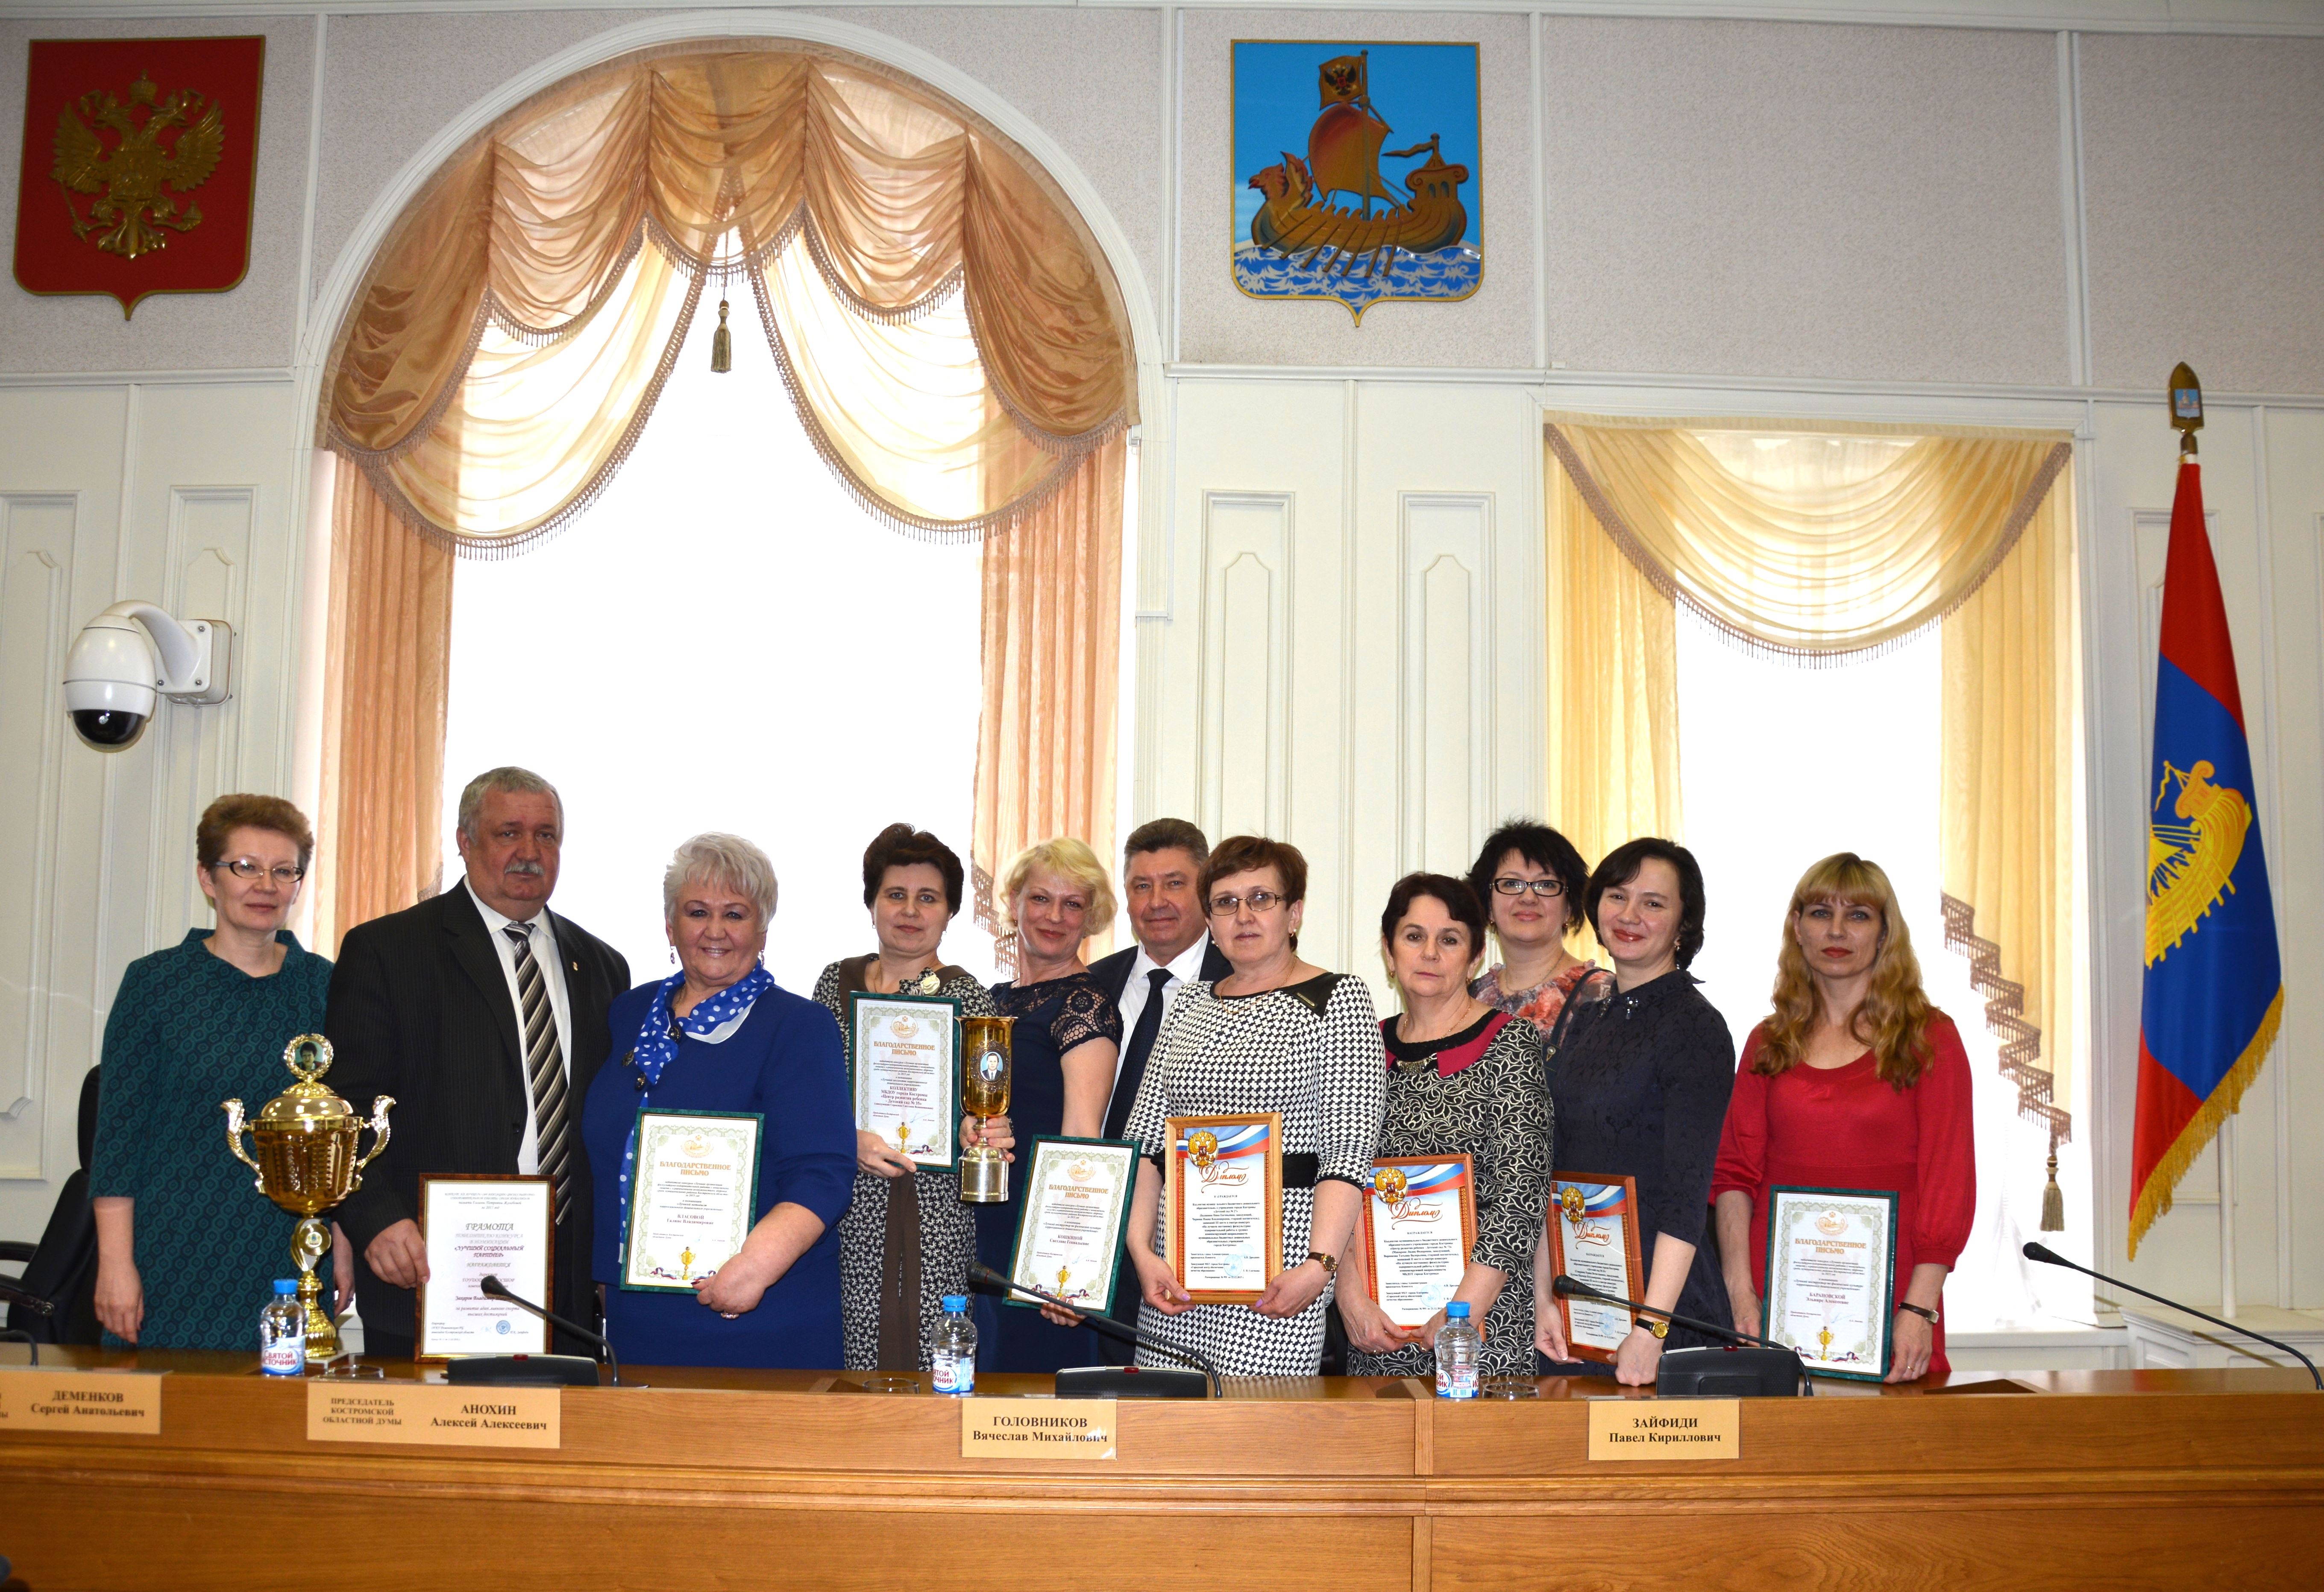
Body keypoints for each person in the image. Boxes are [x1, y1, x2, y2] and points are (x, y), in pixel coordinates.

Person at [326, 767, 630, 1360]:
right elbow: (348, 1105)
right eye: (508, 832)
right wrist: (373, 1217)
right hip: (429, 1269)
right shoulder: (388, 950)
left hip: (567, 1293)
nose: (529, 852)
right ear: (464, 841)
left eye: (546, 835)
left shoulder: (601, 965)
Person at [581, 835, 854, 1368]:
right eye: (697, 912)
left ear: (762, 930)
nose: (715, 930)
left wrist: (755, 1266)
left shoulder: (800, 1027)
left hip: (762, 1314)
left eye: (735, 913)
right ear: (670, 925)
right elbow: (604, 1152)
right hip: (638, 1317)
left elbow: (823, 1171)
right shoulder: (628, 1014)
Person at [1119, 835, 1387, 1377]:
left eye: (1261, 898)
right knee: (1171, 1440)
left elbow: (1348, 1151)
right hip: (1178, 1274)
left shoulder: (1338, 997)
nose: (1243, 915)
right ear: (1211, 921)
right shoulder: (1189, 1003)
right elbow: (1145, 1144)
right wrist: (1140, 1251)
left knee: (1259, 1443)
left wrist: (1319, 1267)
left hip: (1282, 1276)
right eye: (1225, 902)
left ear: (1295, 913)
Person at [1711, 853, 1975, 1383]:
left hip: (1894, 1306)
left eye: (1857, 914)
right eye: (1818, 912)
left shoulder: (1929, 1039)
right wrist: (1741, 1296)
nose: (1836, 930)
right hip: (1770, 1307)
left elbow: (1948, 1183)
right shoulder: (1768, 1041)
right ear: (1796, 927)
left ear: (1884, 933)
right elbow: (1733, 1175)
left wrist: (1920, 1309)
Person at [88, 795, 339, 1349]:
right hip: (168, 1256)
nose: (265, 884)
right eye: (245, 866)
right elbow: (117, 1142)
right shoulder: (155, 984)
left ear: (299, 883)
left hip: (288, 1252)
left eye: (283, 870)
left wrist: (341, 1237)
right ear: (208, 877)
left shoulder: (327, 987)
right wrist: (114, 1263)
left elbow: (342, 1128)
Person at [1533, 838, 1736, 1387]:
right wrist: (1543, 1295)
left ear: (1683, 922)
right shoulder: (1589, 1018)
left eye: (1653, 903)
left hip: (1661, 1319)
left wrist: (1652, 1328)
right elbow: (1552, 1168)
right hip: (1579, 1305)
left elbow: (1688, 1196)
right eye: (1617, 896)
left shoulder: (1696, 1026)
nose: (1629, 916)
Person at [1341, 875, 1553, 1382]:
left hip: (1482, 1328)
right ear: (1390, 953)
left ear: (1475, 957)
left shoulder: (1510, 1044)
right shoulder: (1362, 1048)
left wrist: (1462, 1314)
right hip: (1375, 1329)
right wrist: (1350, 1298)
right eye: (1413, 936)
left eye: (1450, 939)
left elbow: (1520, 1195)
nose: (1430, 952)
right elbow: (1337, 1177)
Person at [811, 824, 1004, 1373]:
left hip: (936, 1206)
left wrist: (976, 1130)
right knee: (847, 1353)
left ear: (950, 913)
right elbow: (807, 1097)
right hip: (846, 1201)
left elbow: (982, 1109)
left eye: (929, 898)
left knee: (934, 1353)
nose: (910, 911)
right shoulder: (835, 983)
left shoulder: (969, 996)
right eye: (896, 894)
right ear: (871, 902)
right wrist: (845, 1141)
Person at [1085, 818, 1232, 1356]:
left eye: (1175, 883)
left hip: (1193, 1238)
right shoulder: (1089, 984)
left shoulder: (1241, 981)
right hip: (1090, 1221)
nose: (1156, 901)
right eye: (1141, 886)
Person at [976, 839, 1123, 1371]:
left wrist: (1070, 1267)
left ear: (1091, 916)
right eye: (1040, 899)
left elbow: (1083, 1138)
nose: (1054, 917)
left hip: (1037, 1238)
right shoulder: (991, 999)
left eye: (1073, 904)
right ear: (1014, 901)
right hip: (976, 1223)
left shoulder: (1085, 1003)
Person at [1467, 820, 1608, 1041]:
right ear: (1488, 906)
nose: (1528, 898)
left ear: (1570, 907)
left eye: (1547, 885)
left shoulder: (1602, 995)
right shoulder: (1470, 997)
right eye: (1512, 884)